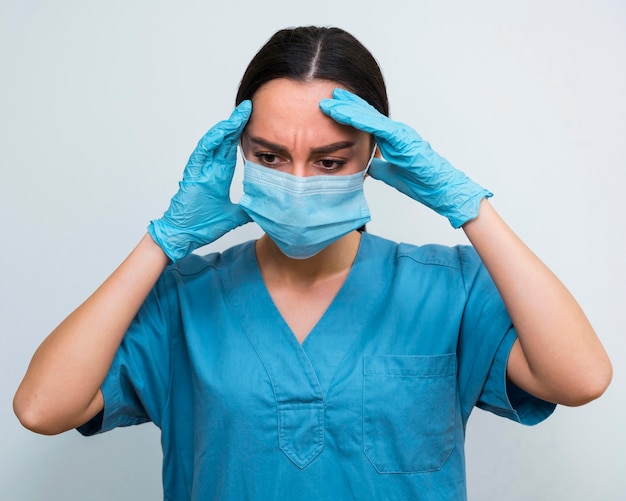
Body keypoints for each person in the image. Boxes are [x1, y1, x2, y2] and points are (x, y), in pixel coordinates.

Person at [14, 26, 612, 500]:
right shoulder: (182, 299)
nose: (297, 182)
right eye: (270, 156)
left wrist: (467, 207)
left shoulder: (449, 287)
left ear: (375, 154)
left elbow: (580, 379)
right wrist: (163, 241)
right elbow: (42, 408)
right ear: (238, 152)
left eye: (329, 161)